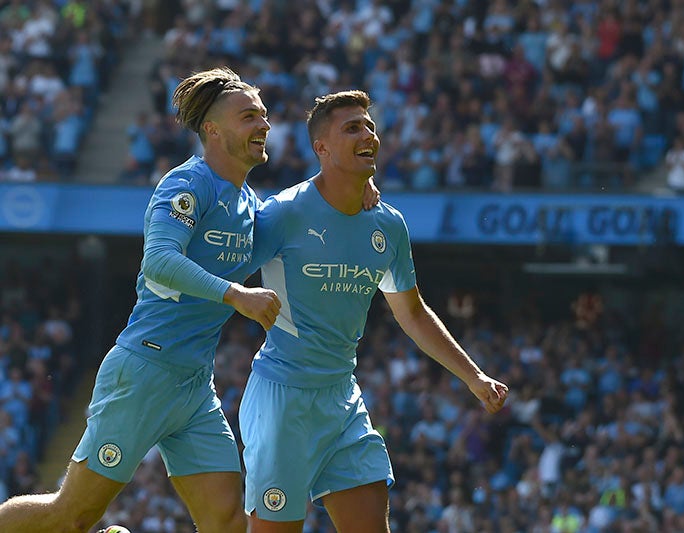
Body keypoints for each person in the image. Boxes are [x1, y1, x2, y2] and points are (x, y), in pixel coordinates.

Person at [0, 68, 378, 533]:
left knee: (225, 522)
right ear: (213, 130)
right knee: (72, 515)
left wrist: (351, 188)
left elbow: (300, 213)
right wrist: (235, 293)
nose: (264, 125)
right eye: (249, 117)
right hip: (145, 371)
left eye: (263, 116)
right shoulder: (186, 185)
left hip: (196, 385)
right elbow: (159, 260)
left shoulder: (248, 203)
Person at [241, 90, 509, 532]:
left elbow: (414, 313)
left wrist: (473, 377)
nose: (368, 134)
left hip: (342, 399)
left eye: (370, 126)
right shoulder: (282, 214)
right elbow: (225, 271)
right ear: (321, 148)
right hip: (281, 401)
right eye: (352, 128)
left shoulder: (388, 224)